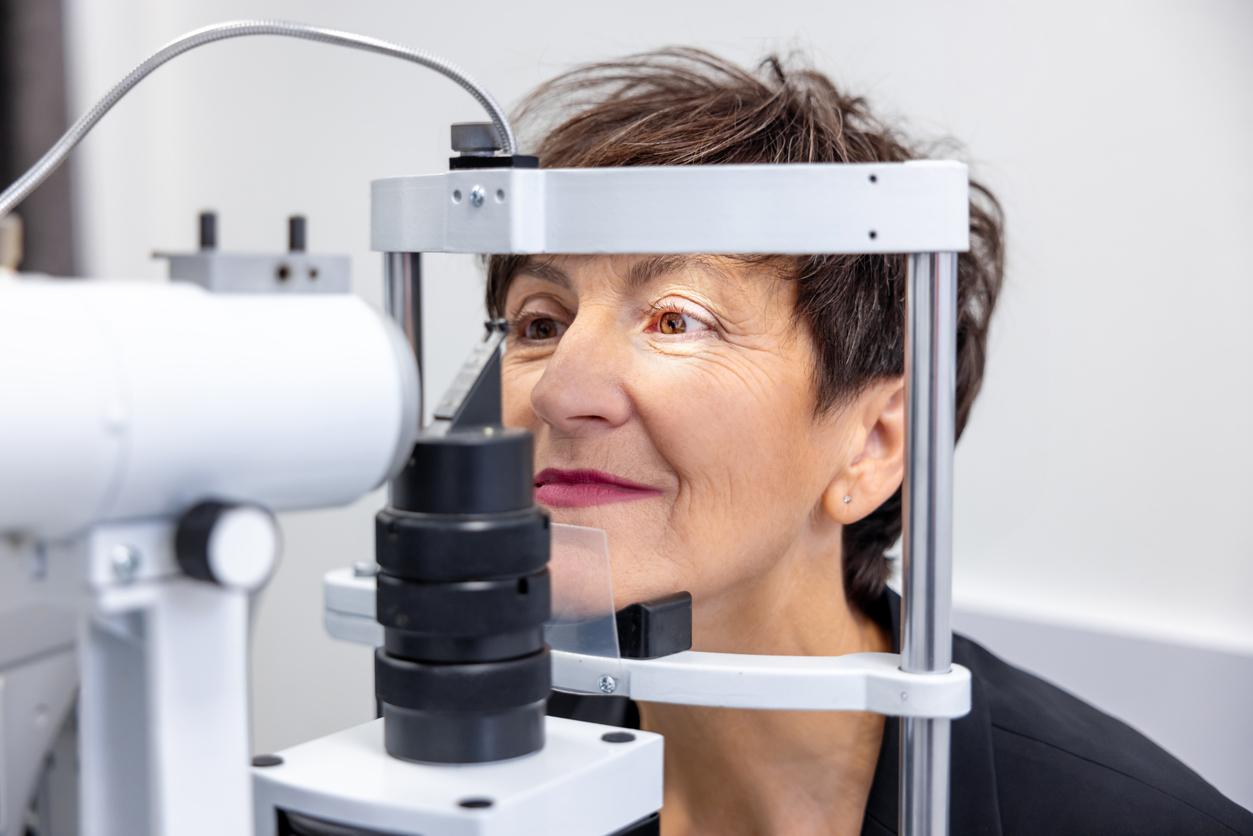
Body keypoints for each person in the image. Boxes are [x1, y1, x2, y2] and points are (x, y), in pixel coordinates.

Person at [488, 49, 1253, 835]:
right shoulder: (490, 745)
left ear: (875, 443)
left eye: (676, 320)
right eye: (541, 323)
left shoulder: (1132, 821)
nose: (558, 392)